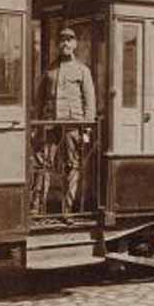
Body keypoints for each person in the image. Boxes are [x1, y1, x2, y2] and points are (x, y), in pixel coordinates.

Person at [33, 26, 96, 220]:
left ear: (75, 44)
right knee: (44, 165)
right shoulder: (50, 71)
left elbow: (90, 101)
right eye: (62, 40)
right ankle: (38, 208)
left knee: (72, 166)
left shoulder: (82, 70)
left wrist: (86, 127)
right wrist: (38, 126)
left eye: (69, 40)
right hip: (51, 124)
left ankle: (67, 210)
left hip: (73, 126)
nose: (65, 43)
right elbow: (39, 100)